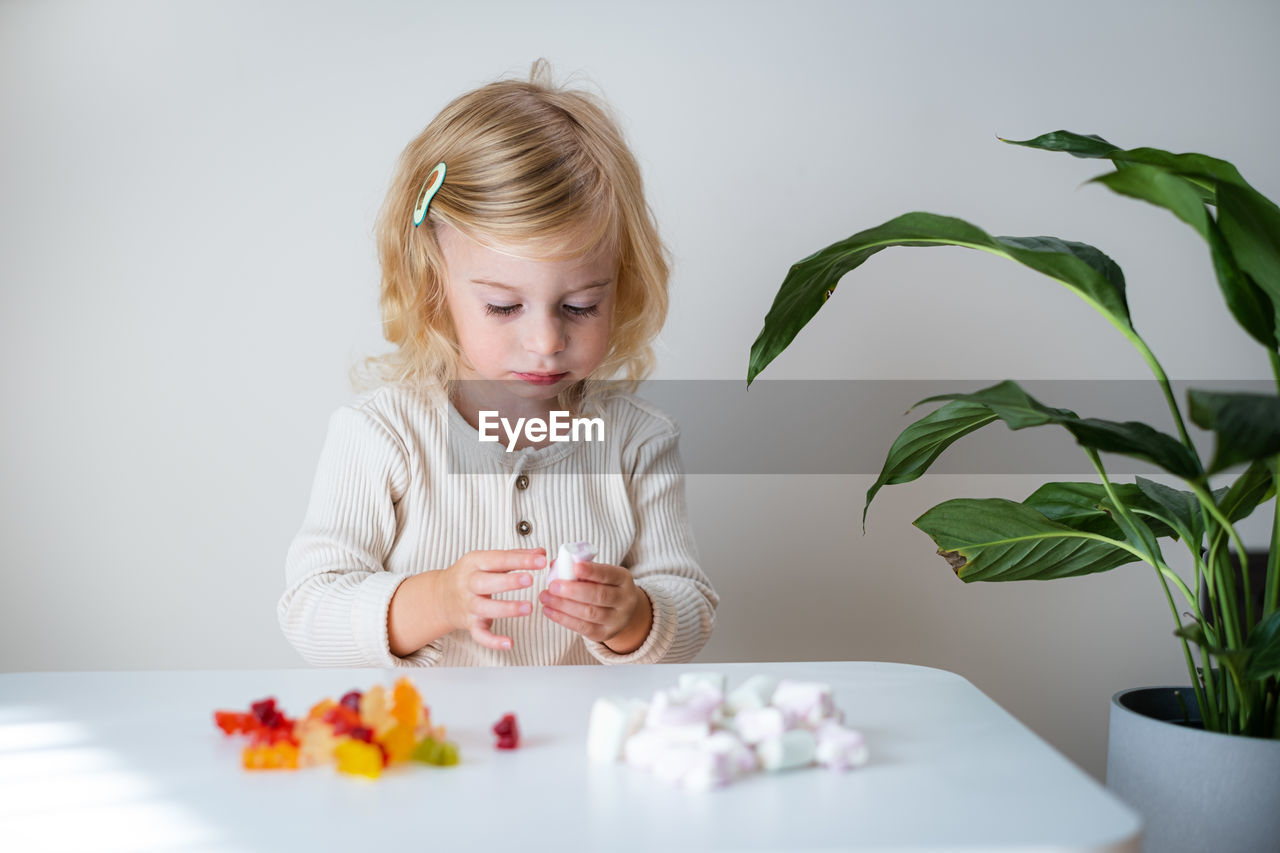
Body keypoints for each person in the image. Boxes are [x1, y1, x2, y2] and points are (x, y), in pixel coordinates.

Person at [279, 61, 718, 667]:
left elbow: (690, 604)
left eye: (581, 305)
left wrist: (637, 616)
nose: (546, 341)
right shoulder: (383, 438)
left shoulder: (637, 441)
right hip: (431, 753)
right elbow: (310, 607)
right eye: (504, 306)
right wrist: (434, 599)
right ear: (434, 285)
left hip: (583, 750)